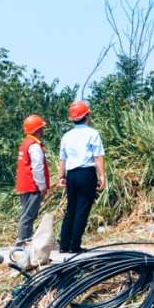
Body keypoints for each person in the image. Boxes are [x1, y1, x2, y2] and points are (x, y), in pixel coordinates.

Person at [57, 101, 106, 254]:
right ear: (86, 116)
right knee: (82, 210)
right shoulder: (92, 133)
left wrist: (61, 176)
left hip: (71, 175)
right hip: (86, 174)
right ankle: (74, 246)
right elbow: (98, 157)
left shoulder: (67, 135)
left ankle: (64, 245)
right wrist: (102, 175)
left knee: (71, 209)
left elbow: (62, 159)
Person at [15, 114, 49, 246]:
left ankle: (26, 241)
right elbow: (37, 168)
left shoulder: (25, 143)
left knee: (28, 215)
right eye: (42, 128)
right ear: (38, 130)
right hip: (32, 186)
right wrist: (42, 186)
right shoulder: (34, 146)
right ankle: (23, 243)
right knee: (28, 216)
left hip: (25, 185)